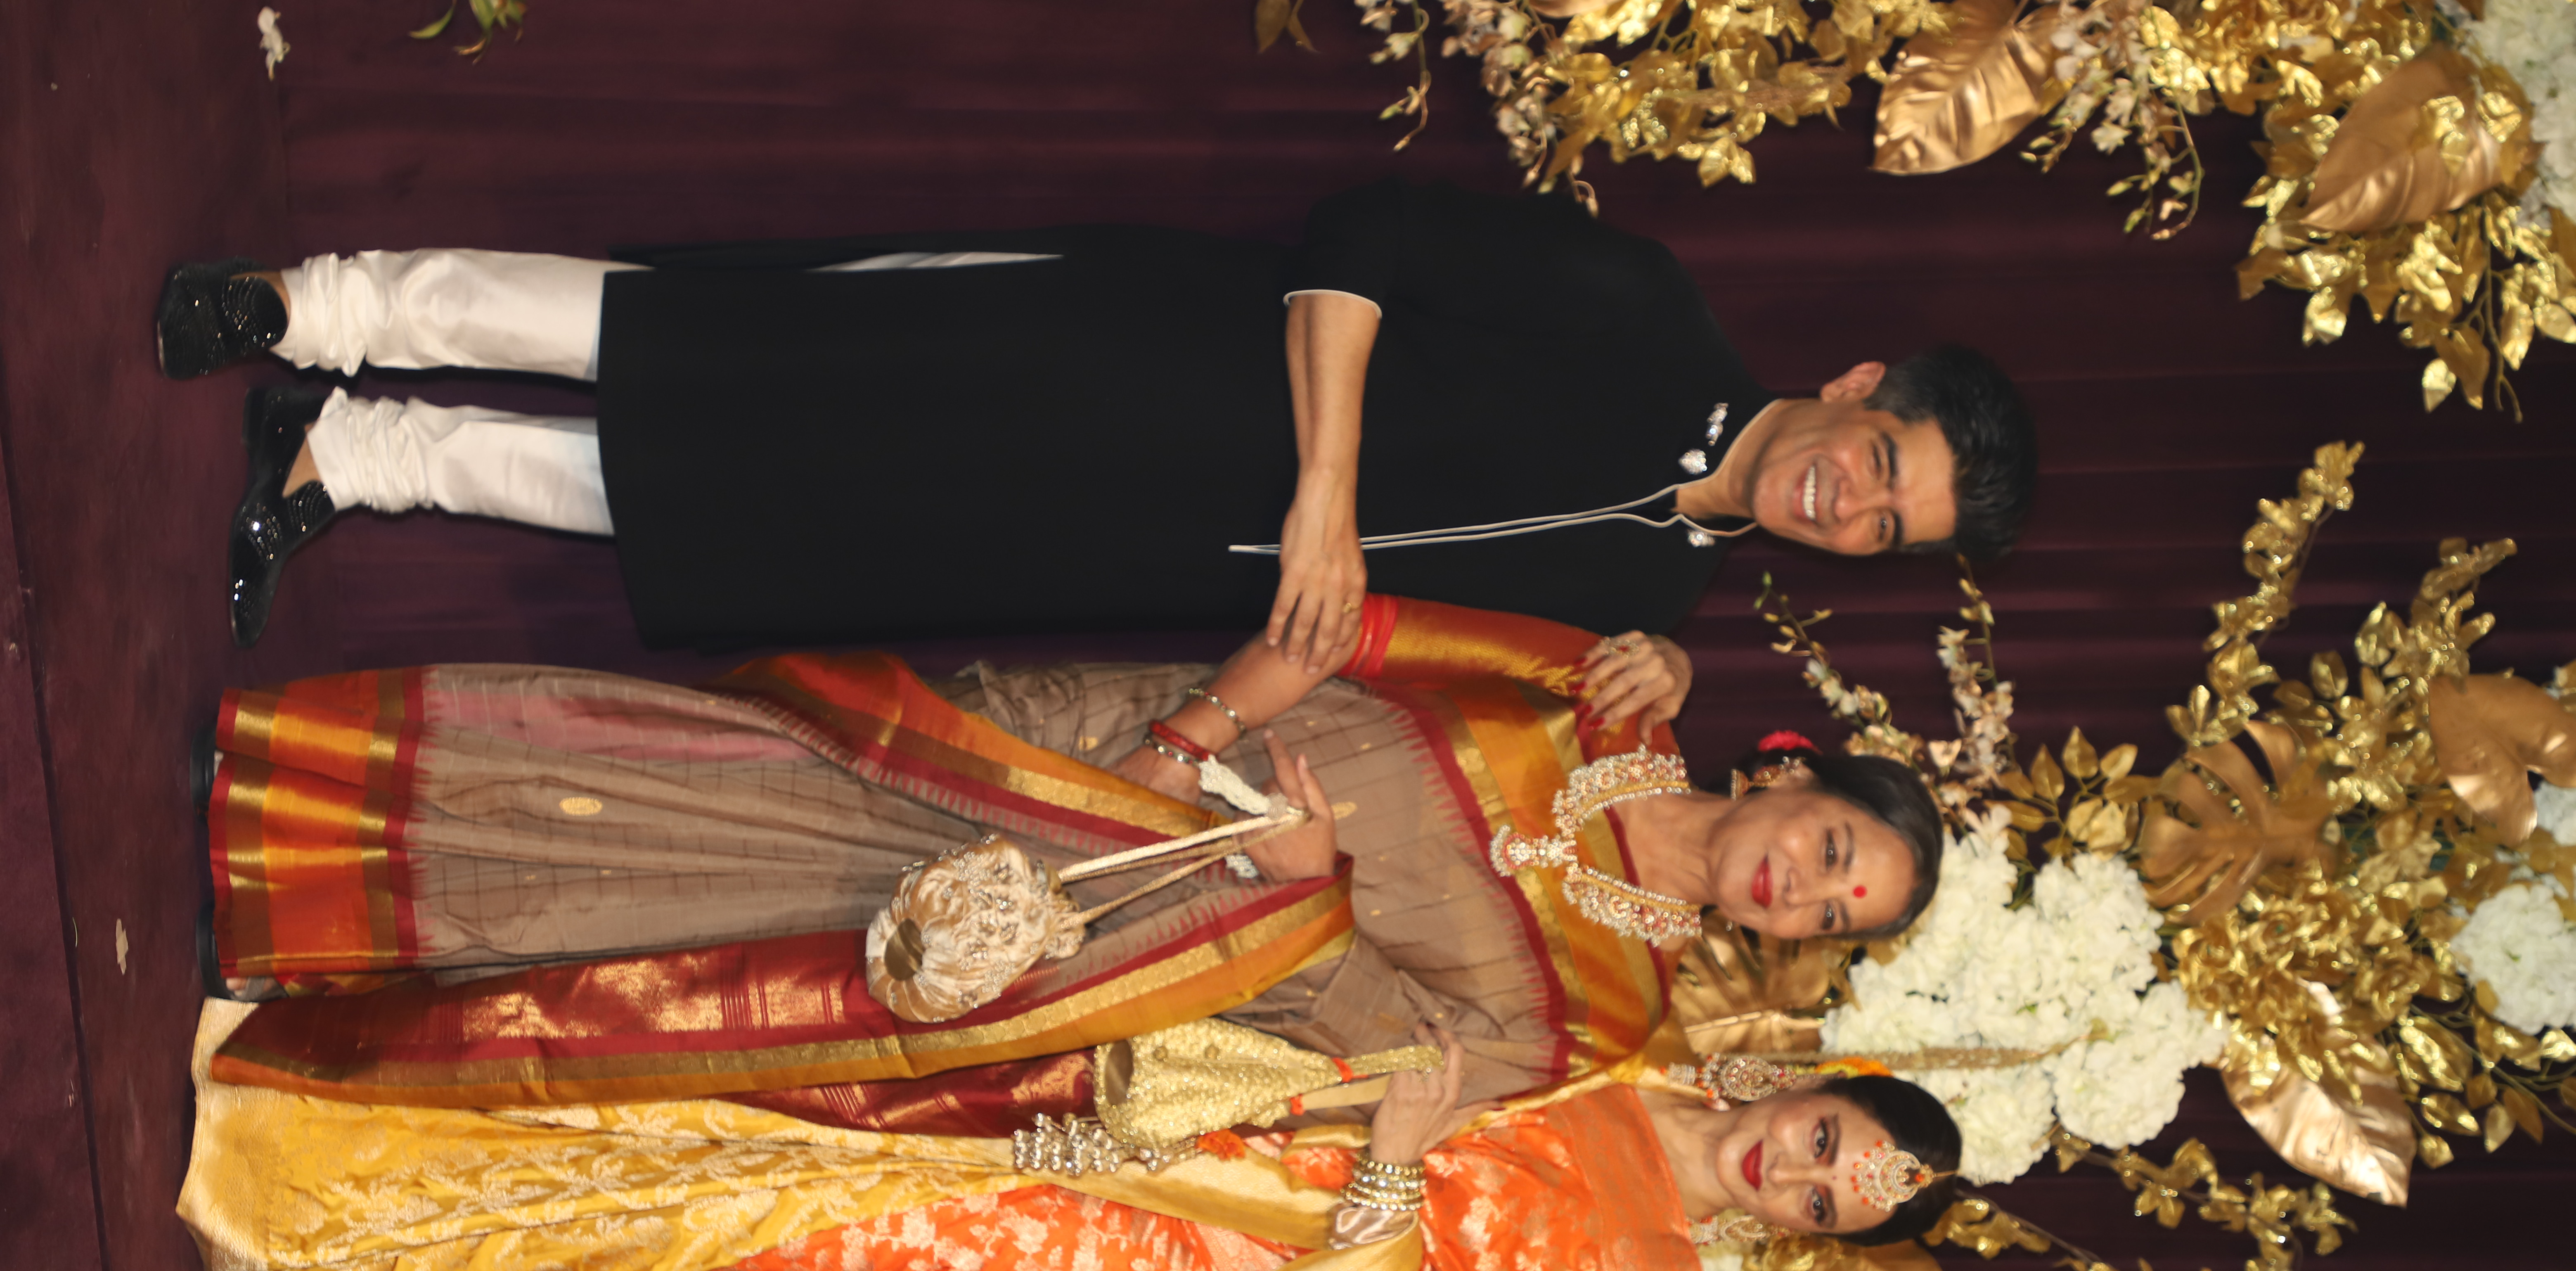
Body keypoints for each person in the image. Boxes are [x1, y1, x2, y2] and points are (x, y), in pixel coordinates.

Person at [197, 595, 1945, 1114]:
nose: (1804, 884)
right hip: (1112, 747)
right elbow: (1350, 619)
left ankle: (314, 947)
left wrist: (1312, 899)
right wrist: (1186, 737)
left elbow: (1403, 1054)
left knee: (729, 949)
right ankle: (292, 793)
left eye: (1836, 912)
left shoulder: (1612, 1009)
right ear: (1799, 773)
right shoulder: (1586, 683)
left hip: (1127, 934)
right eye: (1835, 844)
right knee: (743, 770)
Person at [158, 178, 2040, 650]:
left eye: (1886, 527)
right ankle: (325, 301)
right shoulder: (1647, 305)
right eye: (1881, 464)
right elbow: (1359, 242)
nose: (1844, 503)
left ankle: (358, 458)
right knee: (719, 354)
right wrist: (1327, 493)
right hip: (1125, 354)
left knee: (740, 517)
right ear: (1860, 389)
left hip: (1109, 544)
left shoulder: (1664, 609)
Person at [178, 1018, 1963, 1271]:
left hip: (1181, 1261)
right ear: (1811, 1079)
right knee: (783, 1106)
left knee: (795, 1238)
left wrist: (1392, 1167)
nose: (1792, 1178)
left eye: (1823, 1203)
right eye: (1823, 1139)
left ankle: (328, 1237)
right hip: (1158, 1098)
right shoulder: (1611, 1039)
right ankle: (333, 1104)